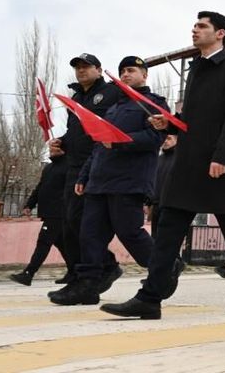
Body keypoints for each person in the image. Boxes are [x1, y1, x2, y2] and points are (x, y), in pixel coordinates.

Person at [100, 11, 225, 319]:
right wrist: (170, 124)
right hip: (188, 162)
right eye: (194, 25)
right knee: (168, 230)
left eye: (202, 26)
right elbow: (194, 118)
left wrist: (222, 157)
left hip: (220, 165)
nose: (195, 30)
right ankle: (150, 298)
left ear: (220, 33)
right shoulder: (196, 68)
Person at [51, 56, 168, 305]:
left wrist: (119, 141)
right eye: (122, 71)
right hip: (99, 180)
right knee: (89, 234)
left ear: (144, 75)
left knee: (129, 232)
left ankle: (164, 268)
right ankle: (87, 285)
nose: (125, 75)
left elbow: (154, 139)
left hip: (129, 180)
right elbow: (98, 145)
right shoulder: (114, 108)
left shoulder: (153, 104)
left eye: (131, 70)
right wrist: (85, 175)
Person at [48, 53, 121, 296]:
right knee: (70, 224)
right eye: (77, 67)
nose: (81, 70)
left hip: (97, 165)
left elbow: (116, 126)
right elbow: (76, 132)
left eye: (86, 66)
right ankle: (84, 277)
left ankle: (101, 269)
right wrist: (60, 144)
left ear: (99, 70)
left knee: (84, 223)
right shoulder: (77, 98)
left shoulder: (111, 93)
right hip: (73, 166)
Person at [10, 146, 68, 286]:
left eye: (56, 149)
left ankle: (28, 274)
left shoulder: (69, 167)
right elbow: (39, 188)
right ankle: (75, 272)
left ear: (64, 150)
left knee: (44, 242)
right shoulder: (48, 168)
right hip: (48, 212)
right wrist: (29, 205)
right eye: (51, 149)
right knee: (62, 243)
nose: (52, 152)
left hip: (59, 212)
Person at [147, 134, 177, 241]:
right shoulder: (158, 159)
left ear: (177, 140)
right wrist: (148, 202)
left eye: (169, 138)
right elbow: (152, 181)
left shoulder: (180, 159)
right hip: (156, 205)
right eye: (164, 138)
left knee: (168, 239)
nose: (165, 141)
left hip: (171, 205)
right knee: (154, 238)